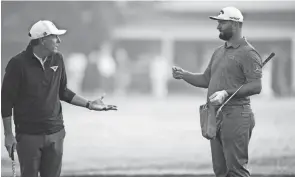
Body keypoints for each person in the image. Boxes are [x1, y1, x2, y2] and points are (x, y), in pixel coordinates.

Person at [1, 20, 117, 177]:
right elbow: (6, 100)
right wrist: (8, 134)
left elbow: (63, 92)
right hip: (28, 135)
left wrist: (89, 104)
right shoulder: (17, 64)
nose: (59, 41)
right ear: (43, 40)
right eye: (55, 37)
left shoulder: (58, 59)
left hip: (56, 132)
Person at [172, 7, 262, 177]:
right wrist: (184, 75)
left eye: (222, 22)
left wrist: (226, 93)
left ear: (235, 24)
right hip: (215, 116)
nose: (218, 27)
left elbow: (256, 86)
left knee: (236, 171)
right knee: (220, 171)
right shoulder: (218, 52)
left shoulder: (249, 53)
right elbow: (206, 80)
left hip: (236, 116)